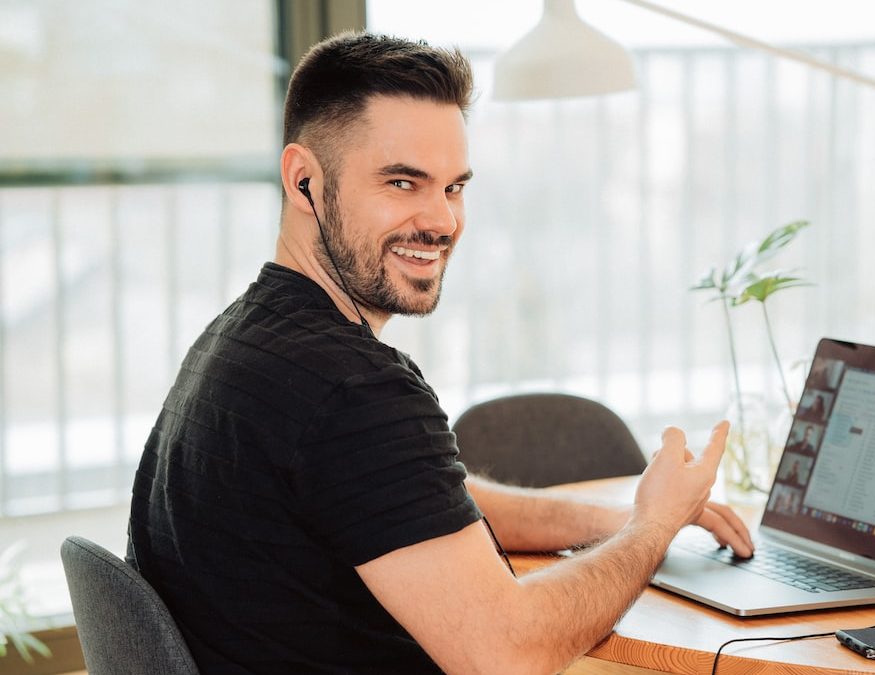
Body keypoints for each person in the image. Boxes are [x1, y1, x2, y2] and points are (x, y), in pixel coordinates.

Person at [127, 31, 753, 675]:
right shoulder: (353, 389)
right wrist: (652, 530)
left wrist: (615, 518)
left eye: (454, 187)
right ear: (303, 179)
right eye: (403, 182)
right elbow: (510, 656)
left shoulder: (246, 340)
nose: (442, 221)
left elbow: (416, 502)